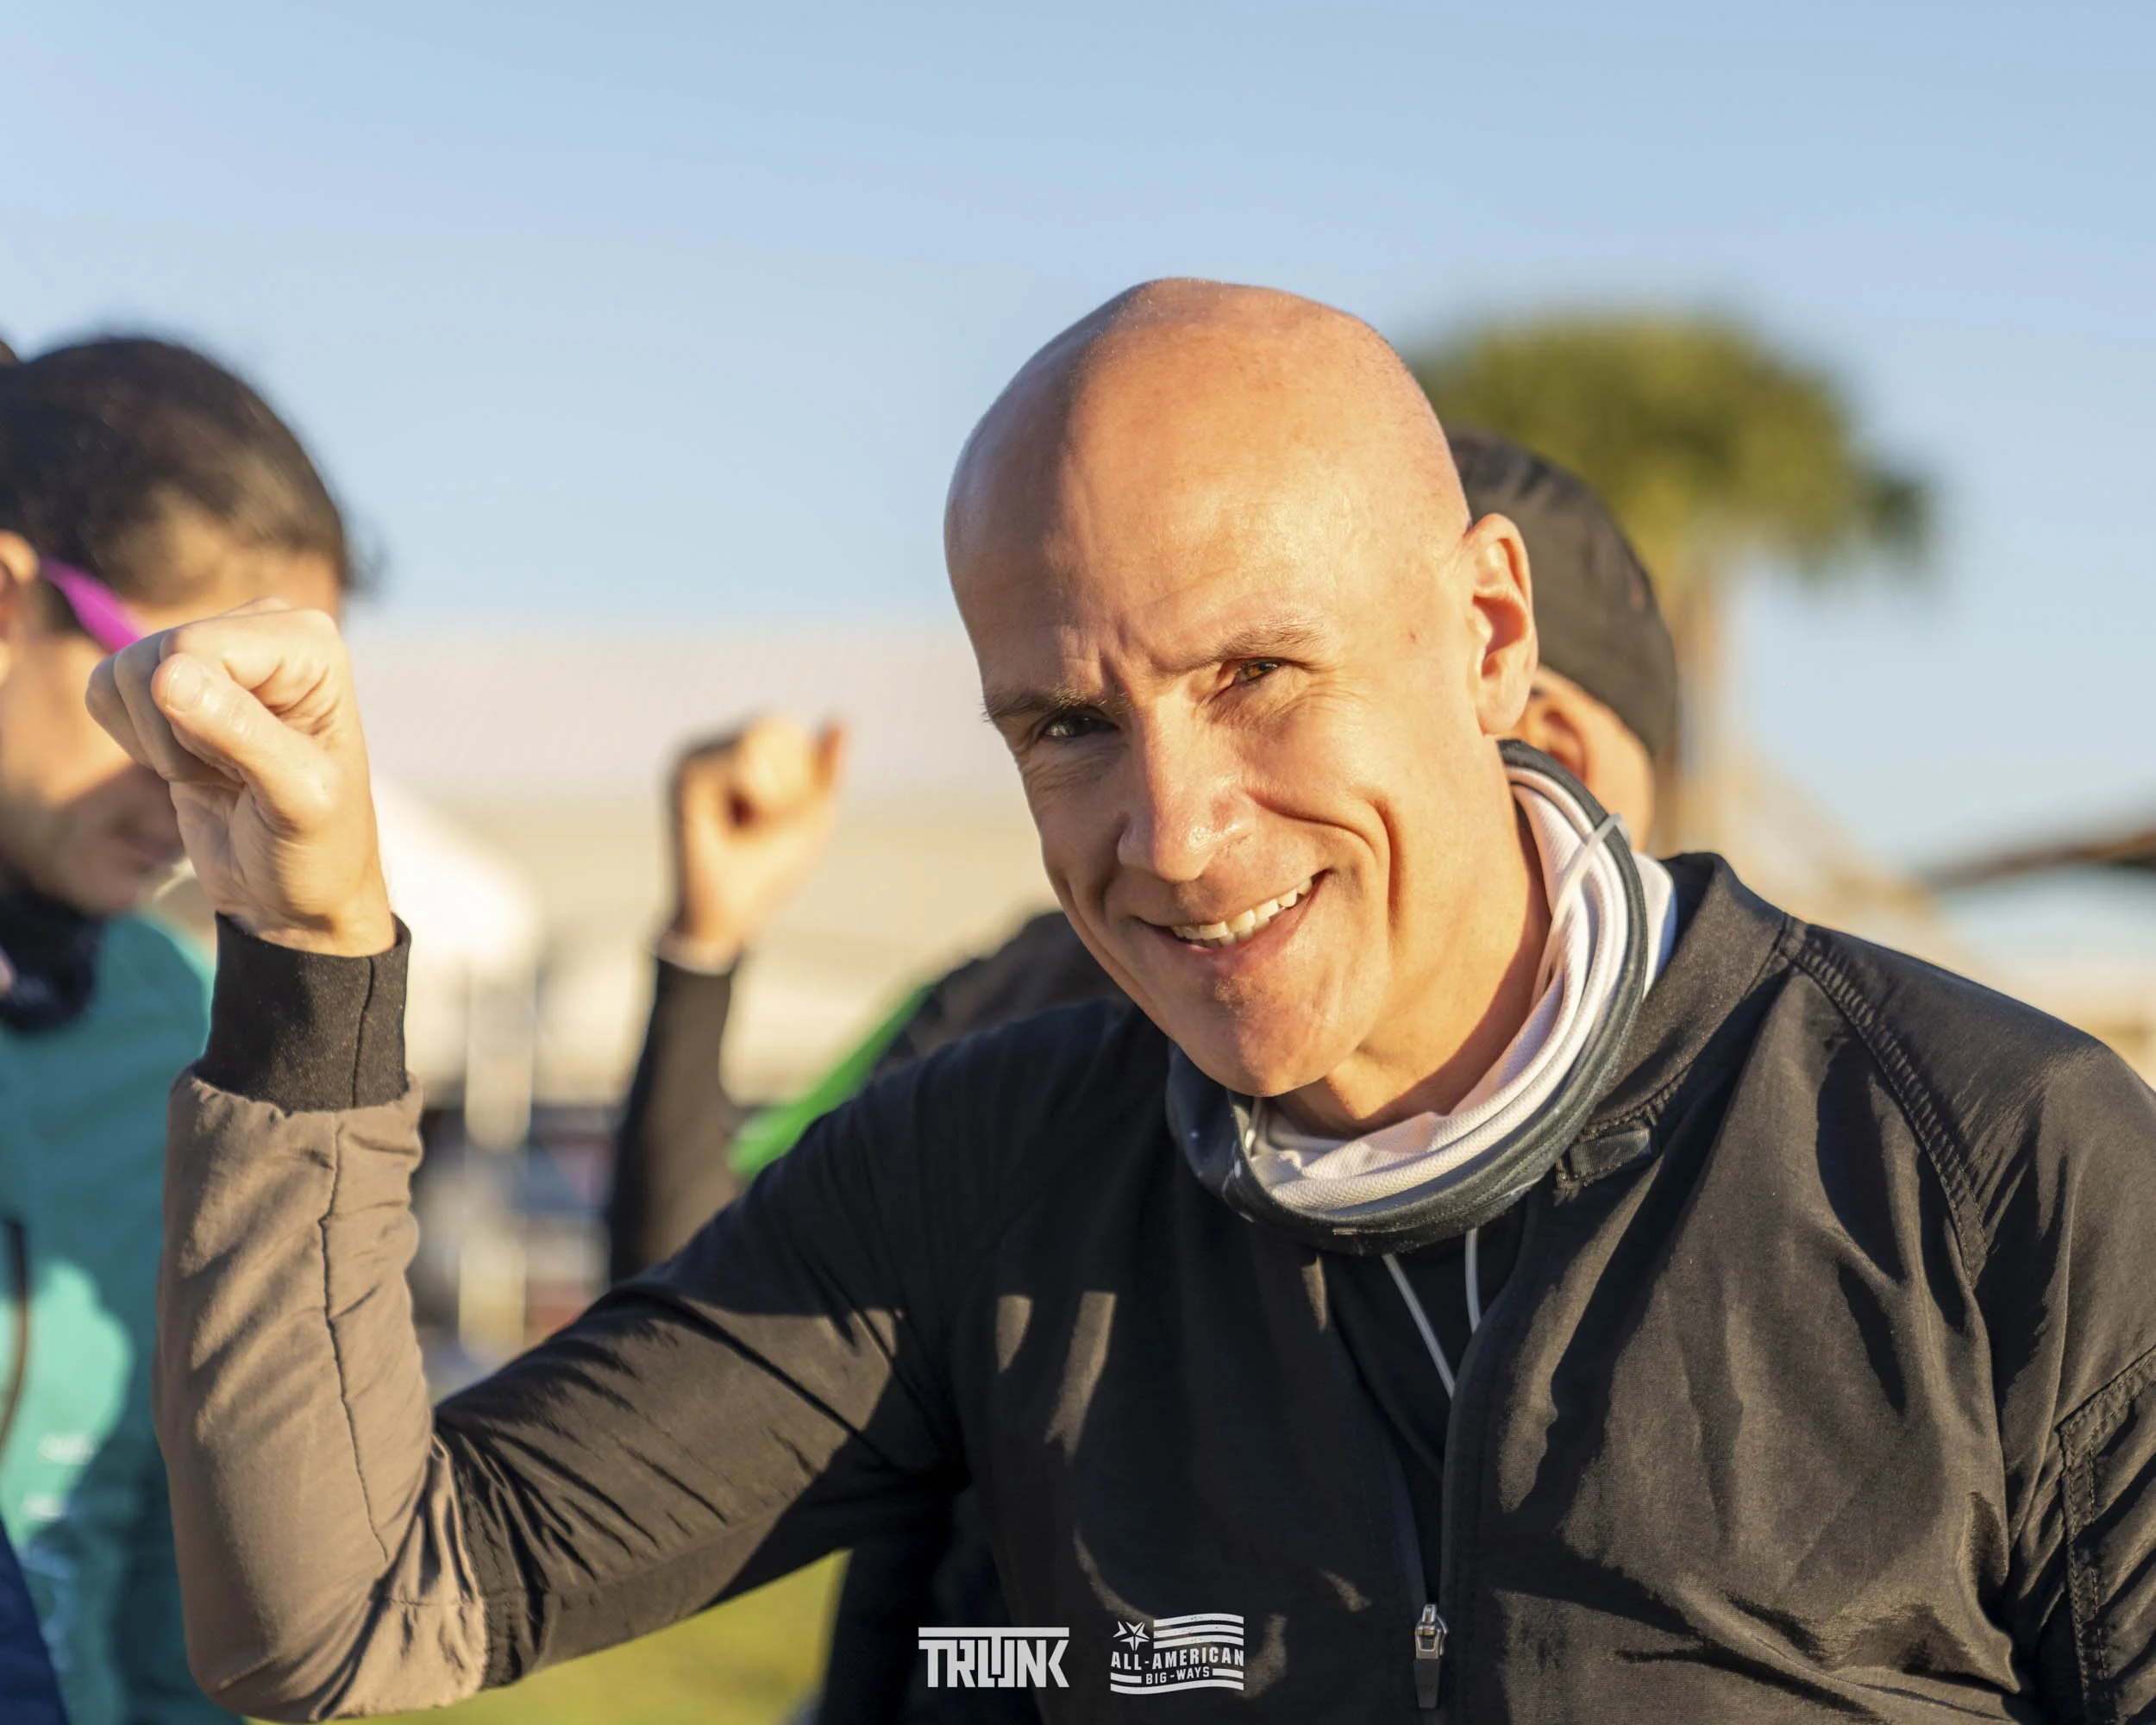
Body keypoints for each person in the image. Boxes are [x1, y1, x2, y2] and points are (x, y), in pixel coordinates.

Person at [100, 281, 2156, 1722]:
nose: (1168, 830)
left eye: (1255, 674)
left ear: (1487, 632)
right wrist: (310, 963)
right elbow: (351, 1614)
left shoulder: (1982, 1158)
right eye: (1066, 723)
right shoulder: (983, 1163)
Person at [604, 429, 1678, 1723]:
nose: (1188, 832)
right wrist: (704, 946)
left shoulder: (1797, 1146)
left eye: (1266, 673)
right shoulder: (1049, 1004)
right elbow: (704, 1303)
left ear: (1502, 675)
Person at [0, 335, 349, 1725]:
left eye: (284, 716)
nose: (231, 776)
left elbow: (168, 1557)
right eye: (196, 695)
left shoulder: (168, 1016)